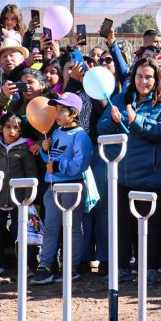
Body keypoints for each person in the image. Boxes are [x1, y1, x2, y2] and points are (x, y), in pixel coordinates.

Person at [97, 57, 161, 284]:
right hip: (123, 175)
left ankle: (150, 267)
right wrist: (114, 121)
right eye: (140, 76)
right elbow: (100, 129)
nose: (144, 81)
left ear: (157, 79)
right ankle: (121, 267)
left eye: (149, 77)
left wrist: (136, 120)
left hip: (152, 177)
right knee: (123, 225)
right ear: (133, 78)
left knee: (152, 226)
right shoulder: (120, 99)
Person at [32, 94, 93, 284]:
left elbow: (80, 164)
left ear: (73, 113)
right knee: (50, 227)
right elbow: (49, 159)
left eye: (61, 110)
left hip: (71, 187)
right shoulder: (57, 132)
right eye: (56, 110)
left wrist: (58, 166)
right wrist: (44, 149)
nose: (57, 114)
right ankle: (46, 266)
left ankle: (71, 266)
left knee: (73, 228)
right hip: (53, 187)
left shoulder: (80, 135)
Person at [0, 111, 40, 278]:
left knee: (20, 233)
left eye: (16, 128)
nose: (11, 131)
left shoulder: (24, 148)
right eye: (7, 127)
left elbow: (31, 174)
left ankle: (27, 264)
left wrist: (28, 198)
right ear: (0, 128)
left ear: (21, 131)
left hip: (19, 200)